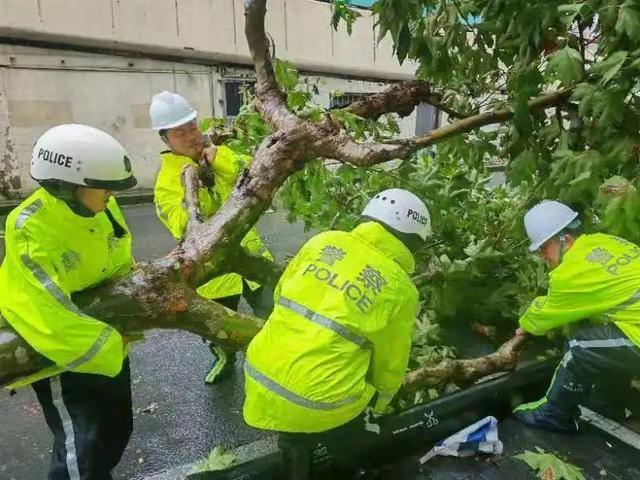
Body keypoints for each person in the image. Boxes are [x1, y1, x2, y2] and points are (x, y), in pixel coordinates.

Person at [242, 188, 430, 479]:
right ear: (414, 241)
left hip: (258, 376)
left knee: (296, 426)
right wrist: (378, 405)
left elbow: (280, 295)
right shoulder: (401, 287)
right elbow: (390, 363)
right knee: (351, 431)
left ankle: (295, 459)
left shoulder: (323, 242)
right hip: (320, 400)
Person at [0, 124, 137, 479]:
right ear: (67, 186)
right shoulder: (30, 227)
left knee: (115, 431)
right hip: (63, 351)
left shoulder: (101, 206)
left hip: (106, 339)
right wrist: (110, 341)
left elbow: (120, 257)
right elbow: (50, 313)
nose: (110, 195)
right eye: (102, 187)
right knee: (81, 448)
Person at [149, 91, 273, 384]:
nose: (191, 135)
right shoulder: (166, 184)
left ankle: (275, 359)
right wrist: (189, 186)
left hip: (252, 257)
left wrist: (223, 161)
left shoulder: (220, 153)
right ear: (165, 139)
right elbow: (185, 227)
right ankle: (223, 357)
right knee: (219, 328)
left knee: (271, 314)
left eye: (192, 126)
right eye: (180, 132)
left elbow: (258, 173)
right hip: (214, 269)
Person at [513, 200, 640, 433]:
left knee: (580, 345)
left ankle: (554, 415)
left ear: (566, 240)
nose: (543, 256)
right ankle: (609, 405)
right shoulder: (604, 242)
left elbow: (544, 315)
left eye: (544, 247)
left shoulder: (572, 272)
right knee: (604, 339)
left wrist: (523, 327)